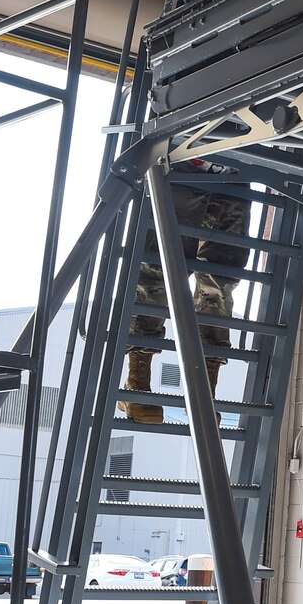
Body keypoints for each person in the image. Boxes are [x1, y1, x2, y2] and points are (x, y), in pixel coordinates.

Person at [121, 176, 250, 425]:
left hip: (232, 173)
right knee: (157, 270)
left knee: (220, 282)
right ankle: (136, 382)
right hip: (182, 168)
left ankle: (204, 392)